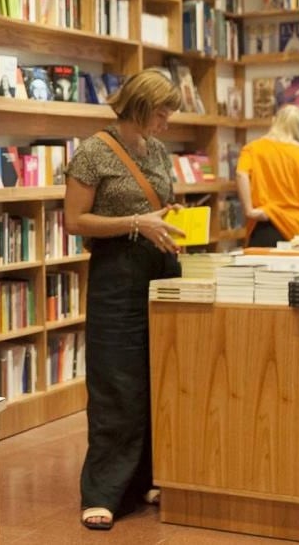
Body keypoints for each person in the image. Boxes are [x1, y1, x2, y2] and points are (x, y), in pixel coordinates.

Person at [63, 69, 185, 530]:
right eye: (161, 113)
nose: (166, 122)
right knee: (117, 382)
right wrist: (137, 223)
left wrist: (166, 218)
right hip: (116, 275)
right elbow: (74, 221)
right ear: (140, 106)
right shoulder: (94, 151)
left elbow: (154, 208)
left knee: (157, 376)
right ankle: (103, 491)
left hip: (159, 269)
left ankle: (145, 478)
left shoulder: (157, 150)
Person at [236, 104, 299, 247]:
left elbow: (241, 174)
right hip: (297, 230)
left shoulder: (253, 148)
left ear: (275, 121)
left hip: (263, 223)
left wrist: (249, 210)